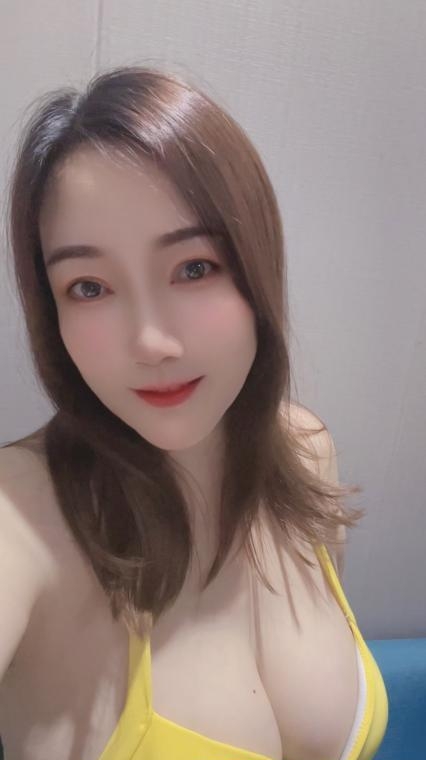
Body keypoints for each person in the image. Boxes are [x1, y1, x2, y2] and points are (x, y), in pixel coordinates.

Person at [0, 65, 388, 760]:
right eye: (89, 287)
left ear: (256, 266)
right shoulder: (23, 519)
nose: (151, 342)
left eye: (194, 267)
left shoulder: (306, 451)